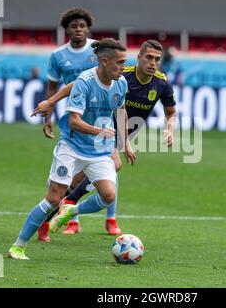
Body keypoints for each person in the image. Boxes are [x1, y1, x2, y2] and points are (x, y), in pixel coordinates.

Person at [32, 40, 177, 238]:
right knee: (114, 165)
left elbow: (171, 112)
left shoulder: (162, 84)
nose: (153, 63)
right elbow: (77, 84)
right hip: (101, 129)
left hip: (122, 132)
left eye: (157, 59)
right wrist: (50, 101)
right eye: (149, 57)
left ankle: (47, 219)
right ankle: (72, 205)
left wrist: (169, 129)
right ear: (139, 58)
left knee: (77, 180)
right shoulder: (123, 74)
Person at [8, 38, 134, 260]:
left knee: (108, 195)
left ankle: (71, 211)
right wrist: (98, 131)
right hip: (72, 147)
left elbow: (121, 110)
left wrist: (125, 143)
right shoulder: (85, 82)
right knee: (53, 199)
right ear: (105, 61)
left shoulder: (121, 83)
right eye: (120, 62)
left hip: (99, 151)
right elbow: (74, 121)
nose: (124, 67)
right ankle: (18, 246)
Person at [38, 7, 123, 240]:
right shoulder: (58, 56)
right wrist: (48, 117)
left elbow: (117, 77)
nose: (78, 29)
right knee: (69, 181)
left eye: (82, 26)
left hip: (101, 119)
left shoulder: (100, 50)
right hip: (75, 122)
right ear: (66, 29)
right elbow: (55, 87)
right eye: (74, 26)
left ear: (88, 28)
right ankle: (58, 218)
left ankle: (110, 220)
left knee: (113, 166)